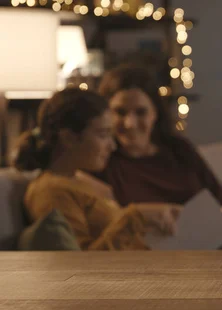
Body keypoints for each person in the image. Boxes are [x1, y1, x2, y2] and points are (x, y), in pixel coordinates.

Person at [95, 64, 222, 250]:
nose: (130, 123)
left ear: (154, 114)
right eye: (120, 112)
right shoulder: (103, 164)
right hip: (166, 259)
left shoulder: (178, 149)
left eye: (140, 112)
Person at [13, 88, 181, 250]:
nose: (113, 145)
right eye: (103, 134)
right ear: (69, 138)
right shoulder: (51, 192)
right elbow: (81, 267)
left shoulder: (80, 181)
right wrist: (136, 217)